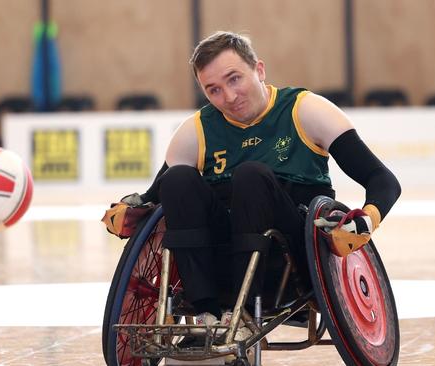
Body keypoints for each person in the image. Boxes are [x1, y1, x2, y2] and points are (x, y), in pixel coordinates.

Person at [106, 31, 401, 326]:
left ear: (259, 70)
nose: (229, 96)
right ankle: (206, 311)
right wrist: (129, 210)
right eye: (214, 89)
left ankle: (244, 311)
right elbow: (153, 196)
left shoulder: (306, 109)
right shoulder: (196, 129)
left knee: (251, 175)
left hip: (290, 257)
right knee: (177, 179)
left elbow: (382, 180)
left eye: (234, 79)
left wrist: (365, 221)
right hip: (223, 257)